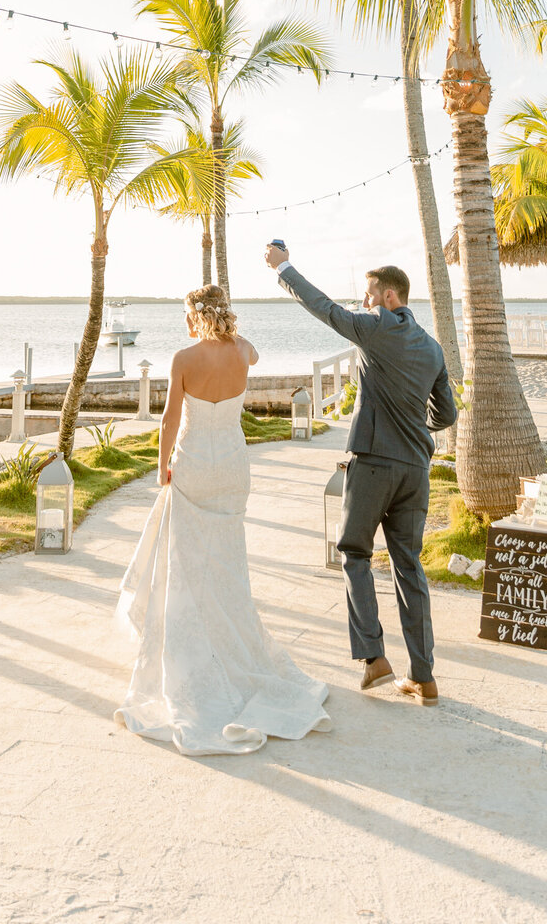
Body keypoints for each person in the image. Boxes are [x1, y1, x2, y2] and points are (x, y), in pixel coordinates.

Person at [115, 282, 332, 756]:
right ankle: (235, 646)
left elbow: (171, 418)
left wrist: (161, 466)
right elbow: (252, 350)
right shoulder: (243, 353)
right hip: (233, 466)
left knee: (187, 564)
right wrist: (235, 332)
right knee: (228, 565)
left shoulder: (182, 359)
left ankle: (197, 656)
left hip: (193, 463)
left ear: (194, 316)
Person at [266, 242, 457, 705]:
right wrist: (414, 427)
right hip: (416, 468)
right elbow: (446, 414)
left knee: (353, 552)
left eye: (370, 295)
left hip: (372, 464)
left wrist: (284, 267)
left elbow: (324, 308)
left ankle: (374, 657)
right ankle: (424, 678)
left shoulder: (374, 328)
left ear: (390, 297)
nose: (364, 302)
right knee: (409, 568)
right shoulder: (431, 347)